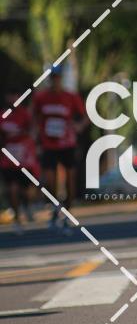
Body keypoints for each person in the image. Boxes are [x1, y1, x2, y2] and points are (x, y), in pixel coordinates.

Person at [33, 67, 87, 232]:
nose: (55, 80)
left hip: (67, 143)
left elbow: (85, 116)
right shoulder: (41, 97)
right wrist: (35, 136)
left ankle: (67, 213)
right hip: (48, 144)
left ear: (61, 79)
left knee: (70, 179)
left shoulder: (70, 97)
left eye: (57, 77)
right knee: (50, 180)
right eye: (53, 77)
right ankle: (55, 210)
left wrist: (79, 126)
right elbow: (33, 116)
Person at [0, 91, 39, 233]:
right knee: (12, 189)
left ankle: (27, 205)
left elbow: (34, 130)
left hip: (25, 158)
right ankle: (17, 219)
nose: (12, 99)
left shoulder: (25, 114)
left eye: (15, 96)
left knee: (26, 190)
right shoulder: (2, 115)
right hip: (8, 159)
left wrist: (28, 139)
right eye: (9, 96)